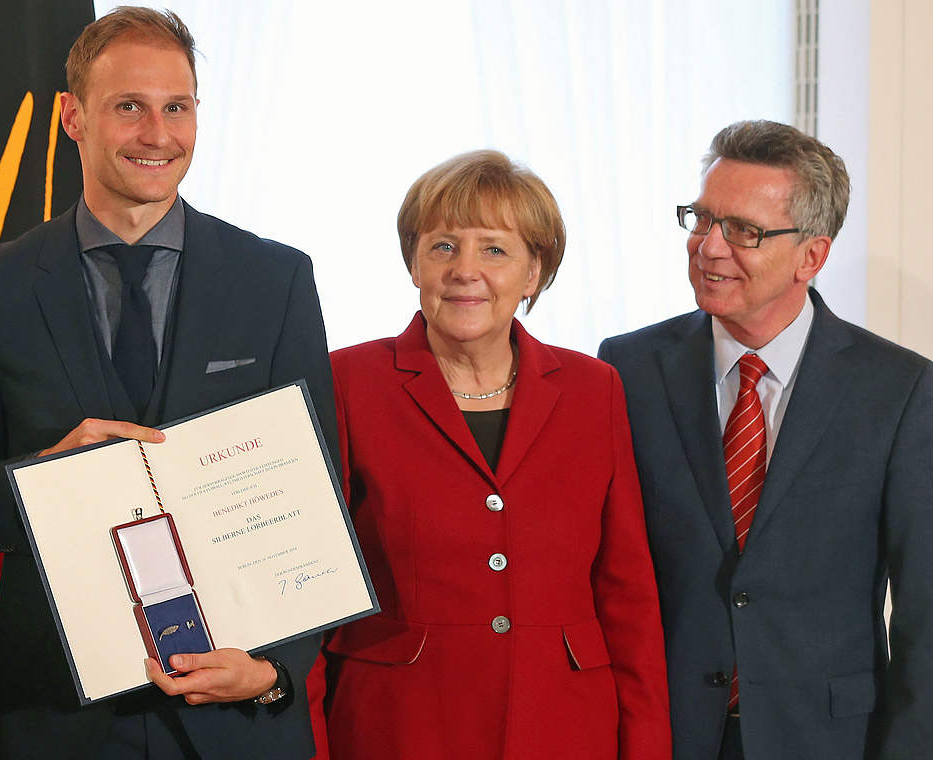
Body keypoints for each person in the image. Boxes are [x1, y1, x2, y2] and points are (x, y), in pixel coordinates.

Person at [0, 7, 335, 759]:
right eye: (129, 108)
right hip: (58, 720)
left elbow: (316, 500)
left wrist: (273, 673)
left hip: (237, 721)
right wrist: (43, 483)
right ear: (72, 117)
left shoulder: (275, 280)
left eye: (176, 108)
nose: (158, 135)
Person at [598, 120, 933, 760]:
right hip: (663, 733)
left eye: (743, 231)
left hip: (829, 738)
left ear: (812, 255)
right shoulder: (628, 368)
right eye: (701, 220)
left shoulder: (899, 390)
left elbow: (925, 615)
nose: (709, 247)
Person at [325, 150, 671, 759]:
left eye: (494, 249)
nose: (465, 270)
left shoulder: (596, 390)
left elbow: (628, 595)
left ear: (534, 273)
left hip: (564, 727)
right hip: (399, 728)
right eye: (442, 246)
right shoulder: (349, 382)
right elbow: (311, 587)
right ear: (413, 262)